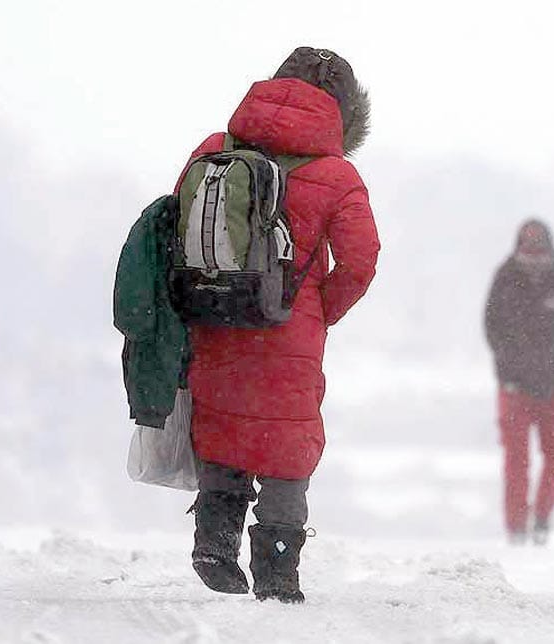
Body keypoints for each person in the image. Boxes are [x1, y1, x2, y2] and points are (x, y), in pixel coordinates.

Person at [175, 47, 379, 602]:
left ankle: (215, 543)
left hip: (215, 314)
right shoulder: (338, 175)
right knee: (288, 443)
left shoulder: (215, 150)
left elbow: (178, 225)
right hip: (292, 324)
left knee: (222, 423)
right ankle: (278, 572)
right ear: (343, 110)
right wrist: (318, 310)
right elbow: (360, 262)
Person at [484, 219, 554, 545]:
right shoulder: (505, 276)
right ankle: (516, 527)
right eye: (526, 253)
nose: (531, 261)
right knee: (516, 460)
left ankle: (542, 517)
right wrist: (510, 368)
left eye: (538, 253)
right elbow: (492, 327)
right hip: (514, 388)